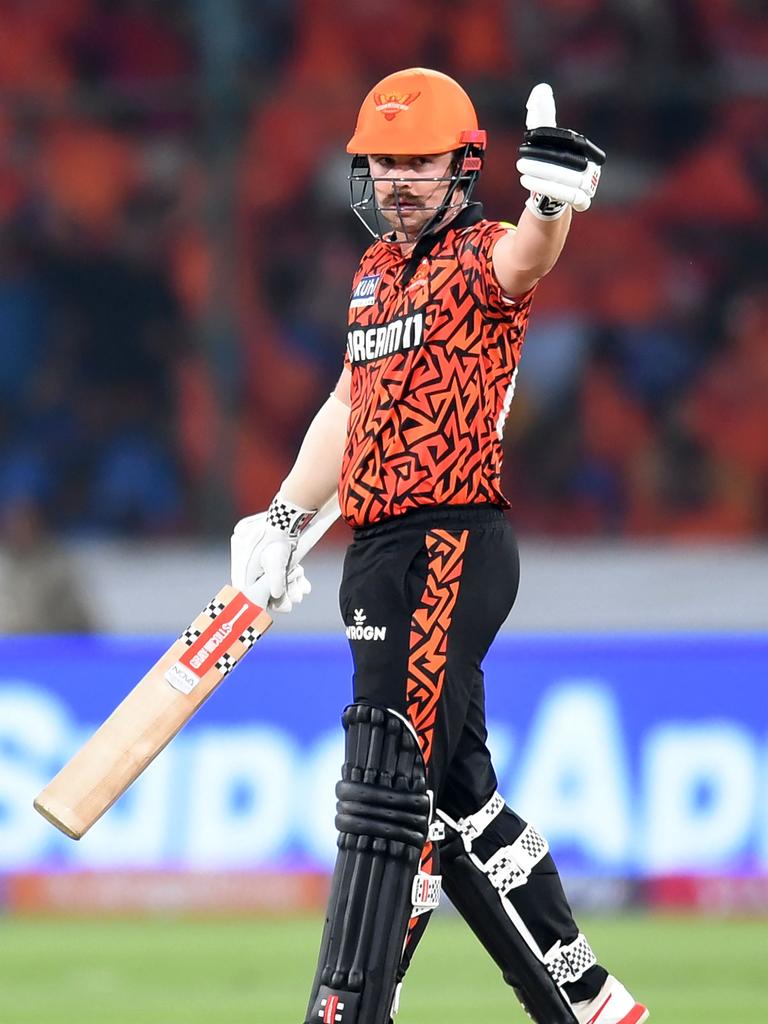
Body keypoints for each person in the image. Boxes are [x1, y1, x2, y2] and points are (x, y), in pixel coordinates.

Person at [231, 68, 648, 1024]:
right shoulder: (374, 275)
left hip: (449, 541)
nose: (397, 181)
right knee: (459, 799)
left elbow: (529, 258)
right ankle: (590, 1004)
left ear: (463, 168)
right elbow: (350, 403)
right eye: (380, 165)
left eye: (418, 163)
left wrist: (551, 201)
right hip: (376, 550)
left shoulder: (478, 254)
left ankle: (349, 1008)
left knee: (389, 778)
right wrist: (287, 518)